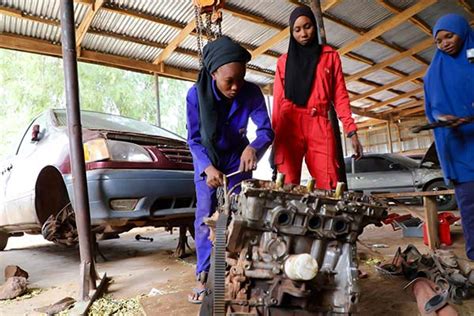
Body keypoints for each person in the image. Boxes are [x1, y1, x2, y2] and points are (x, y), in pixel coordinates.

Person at [186, 36, 274, 303]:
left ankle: (242, 269)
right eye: (229, 81)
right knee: (205, 216)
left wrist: (255, 148)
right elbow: (194, 139)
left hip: (238, 157)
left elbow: (266, 130)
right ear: (213, 74)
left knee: (241, 212)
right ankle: (204, 275)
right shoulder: (195, 96)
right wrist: (207, 168)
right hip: (208, 159)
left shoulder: (252, 92)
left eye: (241, 79)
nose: (236, 87)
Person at [272, 5, 362, 190]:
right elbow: (277, 104)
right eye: (297, 30)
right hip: (289, 125)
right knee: (286, 185)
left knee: (329, 183)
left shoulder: (330, 56)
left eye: (307, 26)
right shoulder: (283, 62)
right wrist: (275, 141)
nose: (303, 34)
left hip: (319, 124)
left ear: (314, 25)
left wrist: (351, 130)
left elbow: (340, 97)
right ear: (291, 32)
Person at [423, 14, 474, 260]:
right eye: (438, 40)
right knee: (470, 206)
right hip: (459, 150)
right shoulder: (434, 73)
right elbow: (432, 107)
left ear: (462, 32)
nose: (444, 43)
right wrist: (442, 118)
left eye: (449, 36)